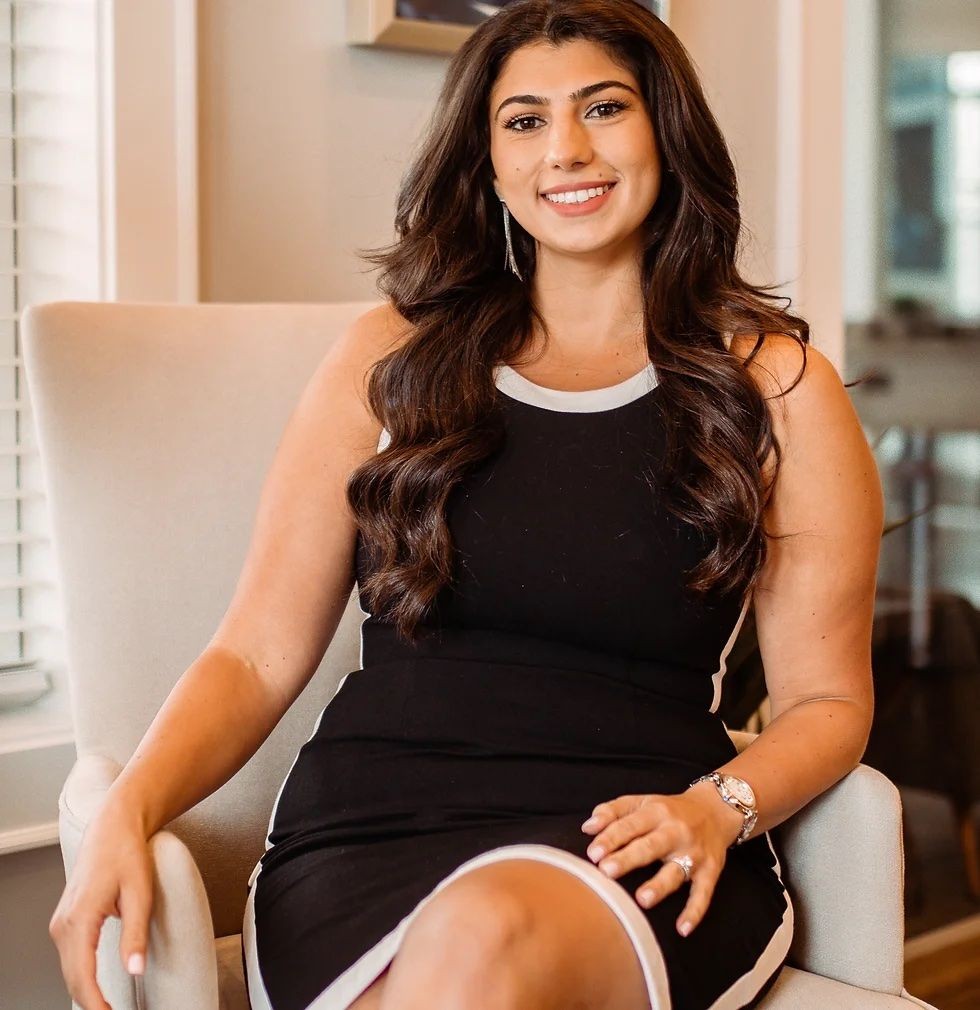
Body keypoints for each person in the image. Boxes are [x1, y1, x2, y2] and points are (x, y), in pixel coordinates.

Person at [49, 3, 883, 1009]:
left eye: (603, 107)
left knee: (481, 936)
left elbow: (825, 702)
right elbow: (258, 651)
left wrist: (719, 807)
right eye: (523, 121)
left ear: (665, 129)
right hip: (366, 831)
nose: (565, 149)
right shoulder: (388, 358)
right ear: (485, 162)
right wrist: (123, 810)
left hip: (641, 834)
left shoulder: (777, 388)